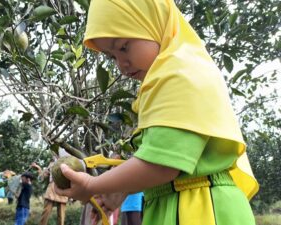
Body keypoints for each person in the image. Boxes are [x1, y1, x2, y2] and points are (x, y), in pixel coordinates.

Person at [54, 1, 259, 225]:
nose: (121, 64)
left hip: (199, 209)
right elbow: (164, 160)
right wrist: (120, 190)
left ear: (151, 23)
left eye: (123, 47)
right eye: (112, 57)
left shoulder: (181, 73)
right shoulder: (174, 74)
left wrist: (92, 186)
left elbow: (162, 165)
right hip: (179, 201)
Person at [31, 158, 68, 225]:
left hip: (63, 188)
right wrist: (38, 167)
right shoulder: (52, 162)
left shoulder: (66, 159)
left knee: (61, 216)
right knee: (46, 213)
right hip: (51, 188)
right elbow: (41, 177)